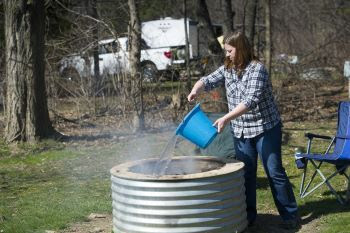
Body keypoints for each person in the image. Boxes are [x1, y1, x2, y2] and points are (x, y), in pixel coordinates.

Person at [187, 31, 299, 229]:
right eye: (226, 51)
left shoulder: (258, 69)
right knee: (246, 174)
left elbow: (250, 101)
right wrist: (196, 89)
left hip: (265, 128)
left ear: (241, 48)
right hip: (241, 131)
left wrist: (226, 118)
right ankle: (248, 218)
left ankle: (290, 217)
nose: (227, 55)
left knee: (274, 172)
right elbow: (208, 79)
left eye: (230, 51)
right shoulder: (227, 68)